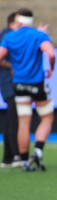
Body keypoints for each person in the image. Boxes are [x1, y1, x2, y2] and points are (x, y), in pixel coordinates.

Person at [0, 8, 55, 171]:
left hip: (19, 85)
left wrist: (9, 66)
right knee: (47, 117)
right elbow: (51, 54)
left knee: (24, 122)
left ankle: (23, 159)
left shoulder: (10, 36)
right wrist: (51, 67)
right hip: (37, 84)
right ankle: (38, 149)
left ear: (18, 20)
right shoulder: (39, 36)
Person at [0, 12, 20, 168]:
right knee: (13, 118)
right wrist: (13, 67)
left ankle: (8, 157)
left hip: (11, 82)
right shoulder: (7, 36)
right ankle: (15, 156)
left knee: (11, 118)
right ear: (12, 23)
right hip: (9, 82)